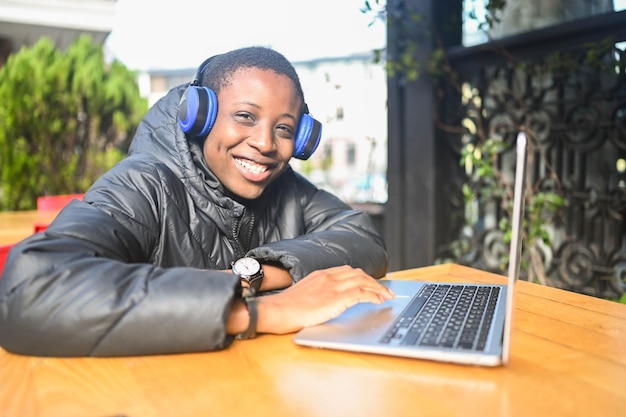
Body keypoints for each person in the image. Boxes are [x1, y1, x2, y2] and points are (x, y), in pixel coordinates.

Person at [0, 46, 392, 357]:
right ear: (198, 115)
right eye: (244, 116)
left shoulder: (288, 188)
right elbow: (30, 288)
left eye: (284, 128)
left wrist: (256, 274)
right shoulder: (143, 184)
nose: (265, 143)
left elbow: (362, 236)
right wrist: (263, 310)